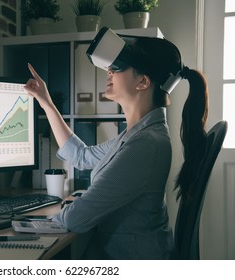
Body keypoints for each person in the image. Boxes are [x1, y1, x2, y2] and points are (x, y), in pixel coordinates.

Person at [24, 35, 209, 259]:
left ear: (143, 82)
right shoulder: (138, 134)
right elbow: (81, 156)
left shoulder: (145, 144)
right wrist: (46, 101)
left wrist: (23, 223)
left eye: (120, 65)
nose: (109, 71)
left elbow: (75, 219)